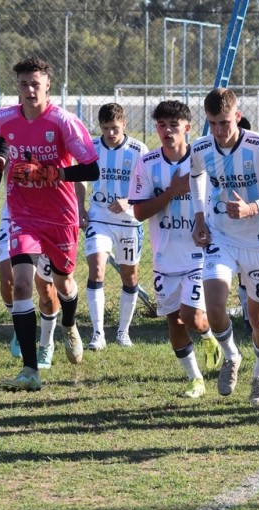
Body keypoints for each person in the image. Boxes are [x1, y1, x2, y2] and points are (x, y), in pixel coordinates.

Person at [0, 56, 99, 391]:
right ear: (17, 87)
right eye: (24, 84)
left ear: (48, 85)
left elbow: (91, 168)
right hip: (22, 214)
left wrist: (54, 173)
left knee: (64, 283)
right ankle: (30, 371)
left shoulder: (63, 121)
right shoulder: (6, 117)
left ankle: (69, 323)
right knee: (23, 284)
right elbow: (3, 141)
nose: (30, 90)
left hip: (59, 217)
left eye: (36, 83)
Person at [190, 88, 259, 406]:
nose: (219, 131)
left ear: (237, 116)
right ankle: (232, 356)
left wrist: (254, 207)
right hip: (221, 237)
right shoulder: (202, 148)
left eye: (224, 123)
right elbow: (196, 175)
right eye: (212, 124)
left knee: (258, 316)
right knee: (214, 304)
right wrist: (199, 216)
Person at [129, 100, 222, 398]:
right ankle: (195, 379)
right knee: (174, 319)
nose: (167, 131)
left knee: (192, 315)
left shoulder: (204, 158)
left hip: (200, 253)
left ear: (187, 128)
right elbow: (140, 213)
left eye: (173, 125)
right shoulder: (146, 163)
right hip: (164, 256)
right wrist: (171, 192)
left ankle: (209, 337)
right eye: (161, 125)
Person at [0, 143, 60, 368]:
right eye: (21, 104)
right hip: (14, 217)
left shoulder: (53, 135)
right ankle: (20, 326)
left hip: (47, 218)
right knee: (8, 279)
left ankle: (46, 343)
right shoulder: (6, 139)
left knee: (45, 288)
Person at [79, 102, 148, 350]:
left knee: (130, 277)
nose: (110, 133)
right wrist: (80, 208)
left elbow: (149, 187)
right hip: (99, 218)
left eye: (115, 128)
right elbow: (81, 179)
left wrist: (129, 200)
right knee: (96, 268)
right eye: (106, 128)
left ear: (124, 124)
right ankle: (98, 334)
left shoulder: (139, 150)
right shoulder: (92, 148)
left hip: (129, 223)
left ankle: (123, 332)